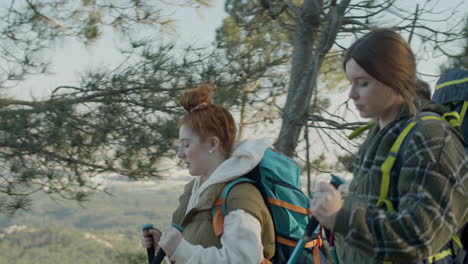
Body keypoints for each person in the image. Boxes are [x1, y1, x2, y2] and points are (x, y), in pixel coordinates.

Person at [309, 28, 468, 263]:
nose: (351, 94)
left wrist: (340, 217)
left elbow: (421, 236)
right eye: (351, 83)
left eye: (362, 83)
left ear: (395, 79)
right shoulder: (381, 134)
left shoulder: (430, 136)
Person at [141, 83, 275, 263]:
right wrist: (165, 249)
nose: (180, 154)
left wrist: (180, 249)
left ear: (212, 144)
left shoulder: (240, 196)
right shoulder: (195, 191)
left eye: (186, 144)